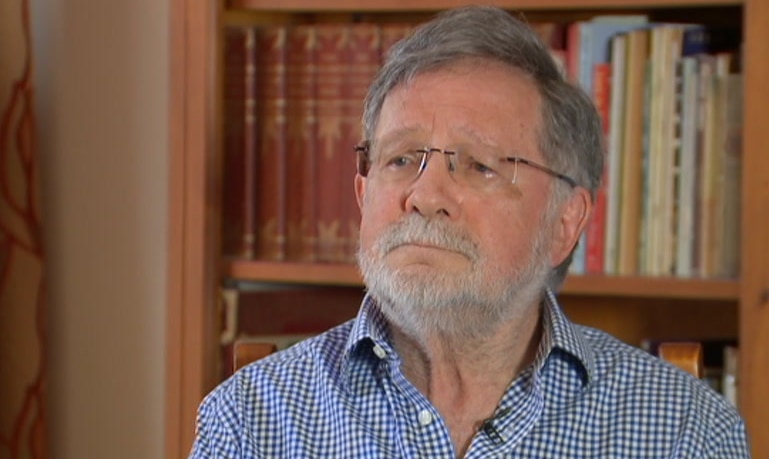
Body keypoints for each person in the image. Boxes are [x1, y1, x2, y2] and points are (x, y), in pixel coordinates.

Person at [189, 5, 749, 458]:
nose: (425, 196)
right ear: (363, 197)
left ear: (565, 222)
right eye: (402, 159)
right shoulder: (249, 422)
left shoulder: (684, 432)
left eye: (479, 165)